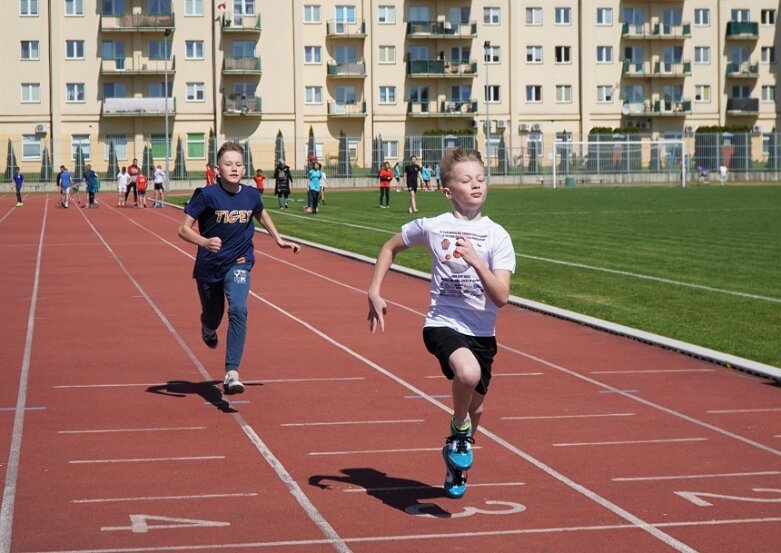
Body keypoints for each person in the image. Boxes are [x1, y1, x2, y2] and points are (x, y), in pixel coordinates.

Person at [367, 148, 516, 499]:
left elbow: (501, 297)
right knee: (467, 374)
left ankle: (456, 455)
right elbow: (390, 247)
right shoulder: (432, 227)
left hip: (482, 332)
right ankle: (459, 430)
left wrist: (478, 262)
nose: (476, 185)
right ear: (448, 191)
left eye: (480, 178)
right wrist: (374, 289)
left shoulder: (498, 236)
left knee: (477, 405)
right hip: (442, 323)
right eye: (466, 180)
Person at [178, 141, 301, 395]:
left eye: (238, 164)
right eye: (228, 164)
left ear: (244, 168)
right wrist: (204, 241)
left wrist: (277, 238)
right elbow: (183, 229)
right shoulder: (207, 195)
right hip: (209, 267)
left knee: (239, 309)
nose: (233, 168)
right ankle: (207, 326)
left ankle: (232, 373)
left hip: (239, 263)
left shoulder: (251, 194)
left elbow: (261, 213)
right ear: (217, 168)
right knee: (214, 316)